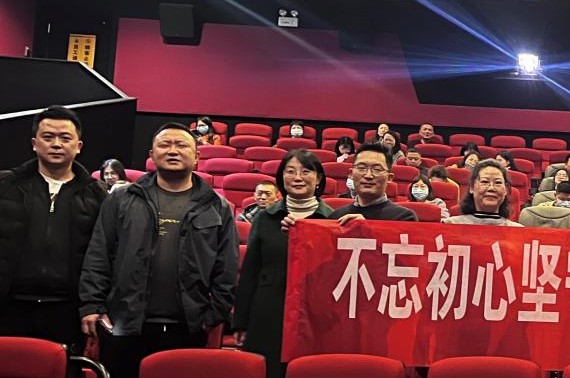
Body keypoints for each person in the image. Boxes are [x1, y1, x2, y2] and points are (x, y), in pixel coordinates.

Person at [79, 123, 238, 378]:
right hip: (126, 322)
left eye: (181, 145)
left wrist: (212, 316)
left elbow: (226, 267)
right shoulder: (122, 199)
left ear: (197, 156)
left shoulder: (217, 206)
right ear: (152, 155)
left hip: (189, 325)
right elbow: (99, 254)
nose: (173, 150)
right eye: (165, 145)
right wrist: (91, 304)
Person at [0, 107, 107, 356]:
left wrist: (93, 304)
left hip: (68, 311)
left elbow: (103, 256)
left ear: (78, 146)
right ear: (34, 144)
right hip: (8, 306)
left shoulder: (97, 195)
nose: (56, 144)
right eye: (48, 137)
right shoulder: (5, 186)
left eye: (65, 138)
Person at [233, 149, 335, 378]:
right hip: (268, 309)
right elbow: (250, 270)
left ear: (318, 178)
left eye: (306, 171)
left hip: (315, 315)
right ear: (281, 177)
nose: (297, 177)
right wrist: (241, 321)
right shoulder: (264, 217)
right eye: (290, 171)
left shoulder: (332, 219)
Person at [331, 143, 416, 222]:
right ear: (351, 174)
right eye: (361, 168)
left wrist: (365, 227)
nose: (368, 175)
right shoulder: (336, 217)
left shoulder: (404, 218)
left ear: (389, 178)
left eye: (377, 169)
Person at [446, 160, 522, 226]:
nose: (491, 188)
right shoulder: (451, 225)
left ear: (506, 190)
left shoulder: (518, 231)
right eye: (484, 182)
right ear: (472, 187)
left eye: (498, 182)